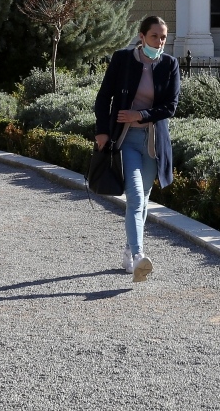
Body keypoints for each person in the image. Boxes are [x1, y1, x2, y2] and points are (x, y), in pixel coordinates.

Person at [94, 15, 180, 283]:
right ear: (141, 37)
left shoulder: (170, 64)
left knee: (143, 199)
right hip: (126, 141)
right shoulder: (122, 59)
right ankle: (139, 255)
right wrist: (101, 131)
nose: (160, 41)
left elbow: (170, 106)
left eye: (163, 37)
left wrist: (140, 115)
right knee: (134, 196)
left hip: (153, 143)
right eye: (155, 36)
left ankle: (129, 250)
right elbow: (104, 96)